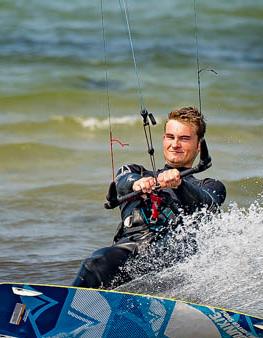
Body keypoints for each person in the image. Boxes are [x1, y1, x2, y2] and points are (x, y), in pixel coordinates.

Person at [72, 106, 226, 289]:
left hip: (175, 261)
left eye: (184, 139)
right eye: (171, 137)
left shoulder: (210, 186)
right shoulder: (137, 172)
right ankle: (64, 311)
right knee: (94, 265)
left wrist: (179, 184)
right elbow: (122, 179)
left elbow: (208, 201)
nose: (175, 144)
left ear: (199, 145)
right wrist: (138, 183)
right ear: (163, 140)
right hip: (131, 254)